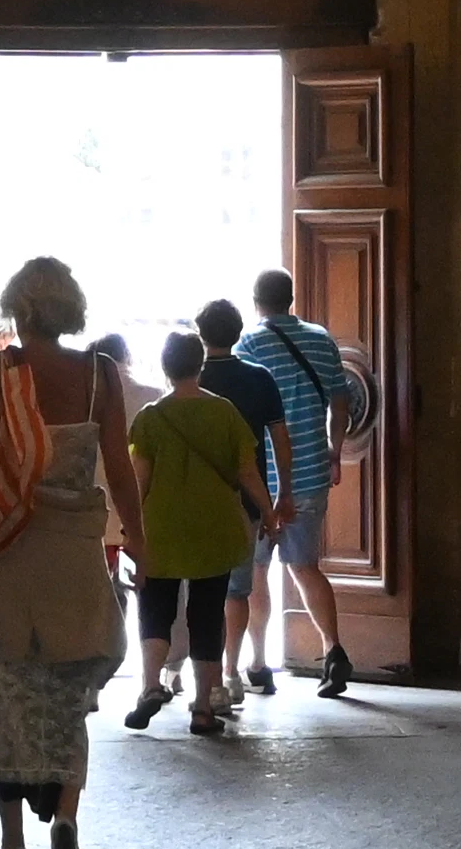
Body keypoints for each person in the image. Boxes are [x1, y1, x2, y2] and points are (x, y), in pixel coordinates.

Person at [0, 255, 139, 849]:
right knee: (66, 697)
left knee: (4, 687)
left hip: (9, 548)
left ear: (19, 309)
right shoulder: (100, 376)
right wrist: (138, 539)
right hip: (74, 550)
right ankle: (66, 825)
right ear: (71, 309)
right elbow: (117, 466)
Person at [222, 268, 361, 698]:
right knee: (305, 567)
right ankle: (333, 650)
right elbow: (339, 403)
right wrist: (334, 450)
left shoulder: (249, 344)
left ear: (256, 301)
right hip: (312, 472)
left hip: (263, 477)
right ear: (291, 298)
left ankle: (258, 662)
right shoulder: (321, 340)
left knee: (256, 571)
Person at [124, 320, 266, 734]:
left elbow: (139, 482)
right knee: (207, 615)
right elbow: (247, 472)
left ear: (165, 368)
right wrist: (270, 511)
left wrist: (131, 533)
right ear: (200, 365)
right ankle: (203, 707)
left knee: (155, 612)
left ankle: (152, 685)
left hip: (161, 530)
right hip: (213, 528)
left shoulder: (150, 418)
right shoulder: (224, 412)